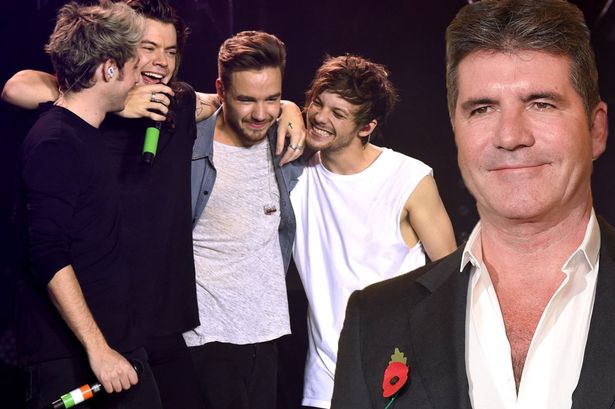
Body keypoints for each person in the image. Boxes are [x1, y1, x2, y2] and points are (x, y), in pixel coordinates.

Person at [2, 2, 304, 408]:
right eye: (148, 48)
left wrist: (289, 108)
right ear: (117, 55)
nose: (161, 61)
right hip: (82, 332)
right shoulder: (77, 122)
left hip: (155, 327)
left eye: (171, 51)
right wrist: (116, 98)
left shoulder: (178, 102)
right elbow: (18, 85)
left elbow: (236, 100)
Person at [331, 0, 611, 408]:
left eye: (541, 103)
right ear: (456, 133)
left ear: (596, 129)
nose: (510, 136)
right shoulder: (375, 320)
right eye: (482, 109)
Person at [15, 2, 163, 408]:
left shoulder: (83, 133)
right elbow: (47, 255)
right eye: (134, 65)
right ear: (109, 69)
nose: (139, 77)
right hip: (77, 359)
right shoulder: (56, 142)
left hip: (114, 348)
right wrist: (98, 349)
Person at [291, 55, 456, 408]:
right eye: (318, 102)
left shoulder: (408, 179)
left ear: (366, 127)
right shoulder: (295, 171)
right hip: (325, 383)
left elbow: (452, 282)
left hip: (398, 377)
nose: (320, 117)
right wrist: (286, 108)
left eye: (338, 113)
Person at [185, 30, 305, 409]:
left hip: (267, 330)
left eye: (272, 98)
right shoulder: (187, 144)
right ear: (220, 90)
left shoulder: (284, 142)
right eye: (246, 99)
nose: (260, 113)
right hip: (205, 334)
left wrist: (291, 108)